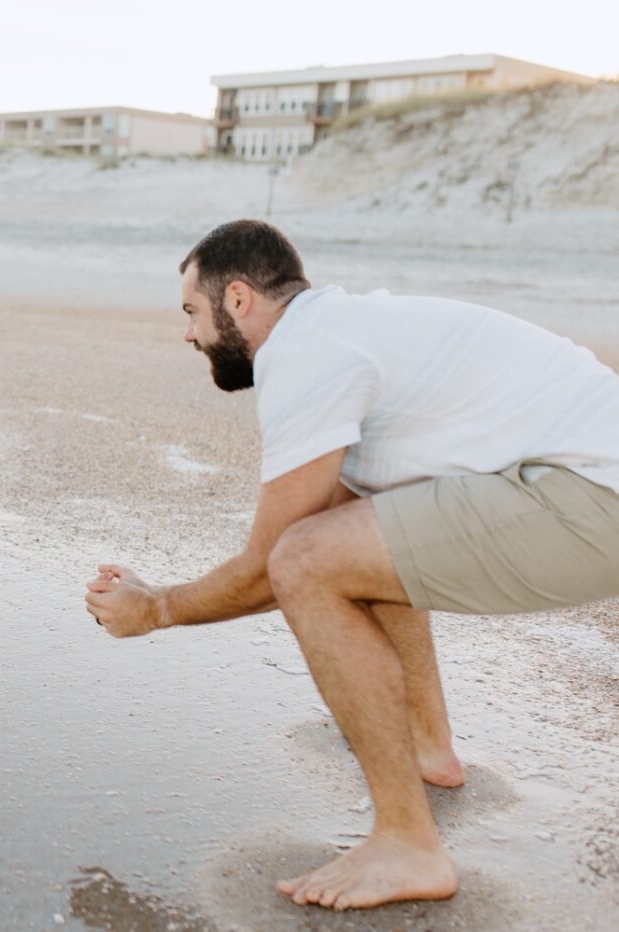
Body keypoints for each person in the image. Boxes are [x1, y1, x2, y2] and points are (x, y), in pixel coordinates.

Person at [85, 219, 619, 910]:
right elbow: (348, 523)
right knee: (356, 530)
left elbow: (273, 565)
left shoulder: (307, 352)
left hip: (593, 496)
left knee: (308, 561)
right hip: (583, 482)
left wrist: (155, 608)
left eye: (192, 312)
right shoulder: (346, 328)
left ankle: (407, 844)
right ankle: (428, 749)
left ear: (238, 299)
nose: (189, 334)